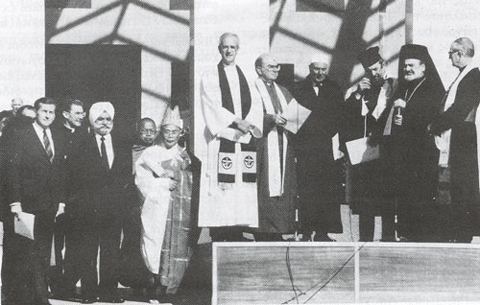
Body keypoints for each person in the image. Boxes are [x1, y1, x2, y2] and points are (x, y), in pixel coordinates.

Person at [63, 101, 132, 303]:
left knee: (111, 251)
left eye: (108, 119)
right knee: (88, 251)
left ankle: (109, 292)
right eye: (100, 119)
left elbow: (125, 175)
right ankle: (89, 293)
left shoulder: (120, 143)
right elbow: (72, 177)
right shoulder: (80, 143)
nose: (104, 123)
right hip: (88, 208)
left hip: (113, 209)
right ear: (92, 121)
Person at [198, 32, 263, 242]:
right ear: (219, 49)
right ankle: (221, 231)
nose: (228, 51)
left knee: (241, 185)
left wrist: (248, 125)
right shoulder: (210, 75)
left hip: (243, 139)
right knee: (222, 185)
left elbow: (255, 104)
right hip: (223, 137)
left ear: (238, 49)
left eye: (232, 47)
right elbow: (212, 106)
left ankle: (237, 228)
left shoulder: (247, 77)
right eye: (225, 47)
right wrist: (237, 122)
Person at [3, 97, 67, 305]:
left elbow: (59, 172)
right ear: (36, 112)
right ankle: (21, 298)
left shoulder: (56, 136)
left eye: (52, 112)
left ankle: (39, 297)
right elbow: (12, 171)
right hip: (26, 205)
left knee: (42, 252)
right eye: (44, 111)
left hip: (48, 205)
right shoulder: (21, 135)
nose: (48, 115)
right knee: (23, 252)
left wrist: (60, 202)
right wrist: (15, 202)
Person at [380, 44, 445, 242]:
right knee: (407, 195)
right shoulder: (405, 88)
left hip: (422, 153)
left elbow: (431, 117)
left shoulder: (432, 87)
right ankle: (408, 234)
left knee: (421, 195)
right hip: (404, 155)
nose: (407, 69)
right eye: (405, 65)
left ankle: (422, 236)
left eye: (411, 65)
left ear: (424, 67)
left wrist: (406, 112)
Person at [135, 106, 194, 302]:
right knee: (154, 243)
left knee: (178, 244)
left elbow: (190, 180)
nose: (170, 136)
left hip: (178, 210)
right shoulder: (150, 153)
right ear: (162, 132)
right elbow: (142, 181)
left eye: (174, 132)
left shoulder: (185, 156)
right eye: (167, 131)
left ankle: (173, 288)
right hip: (157, 208)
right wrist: (163, 183)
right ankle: (155, 285)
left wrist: (178, 176)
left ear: (180, 133)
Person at [342, 47, 398, 241]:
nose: (374, 74)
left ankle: (388, 237)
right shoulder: (359, 89)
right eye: (370, 71)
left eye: (376, 69)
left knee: (387, 196)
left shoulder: (394, 86)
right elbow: (347, 118)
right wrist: (358, 95)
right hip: (367, 150)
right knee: (366, 197)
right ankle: (365, 238)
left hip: (388, 149)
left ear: (384, 65)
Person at [429, 37, 480, 243]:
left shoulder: (474, 76)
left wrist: (435, 125)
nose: (449, 56)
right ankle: (453, 230)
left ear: (460, 53)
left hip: (462, 136)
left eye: (451, 52)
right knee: (452, 182)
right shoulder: (462, 76)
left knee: (462, 183)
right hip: (456, 134)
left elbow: (459, 110)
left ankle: (462, 232)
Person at [292, 56, 343, 241]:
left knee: (327, 191)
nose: (320, 73)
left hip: (326, 148)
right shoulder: (298, 89)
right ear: (310, 68)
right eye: (316, 69)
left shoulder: (334, 89)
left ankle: (323, 232)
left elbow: (340, 117)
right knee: (306, 191)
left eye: (323, 69)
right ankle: (306, 230)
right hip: (306, 148)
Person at [253, 54, 297, 241]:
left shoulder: (284, 91)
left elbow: (295, 115)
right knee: (264, 186)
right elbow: (250, 116)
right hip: (263, 145)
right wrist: (270, 118)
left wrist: (293, 118)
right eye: (270, 66)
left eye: (277, 66)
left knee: (283, 187)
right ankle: (263, 230)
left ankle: (278, 229)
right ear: (259, 69)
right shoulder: (252, 90)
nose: (275, 70)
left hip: (283, 145)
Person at [49, 98, 87, 295]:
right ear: (65, 114)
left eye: (83, 113)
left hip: (77, 202)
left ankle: (68, 284)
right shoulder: (53, 135)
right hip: (57, 200)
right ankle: (55, 284)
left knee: (76, 244)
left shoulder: (84, 135)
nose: (82, 116)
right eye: (78, 113)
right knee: (55, 243)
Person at [119, 117, 159, 299]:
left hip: (154, 204)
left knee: (153, 243)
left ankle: (153, 284)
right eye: (145, 130)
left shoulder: (161, 151)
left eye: (152, 130)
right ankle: (135, 283)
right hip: (133, 204)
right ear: (138, 131)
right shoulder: (130, 151)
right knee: (133, 243)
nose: (148, 134)